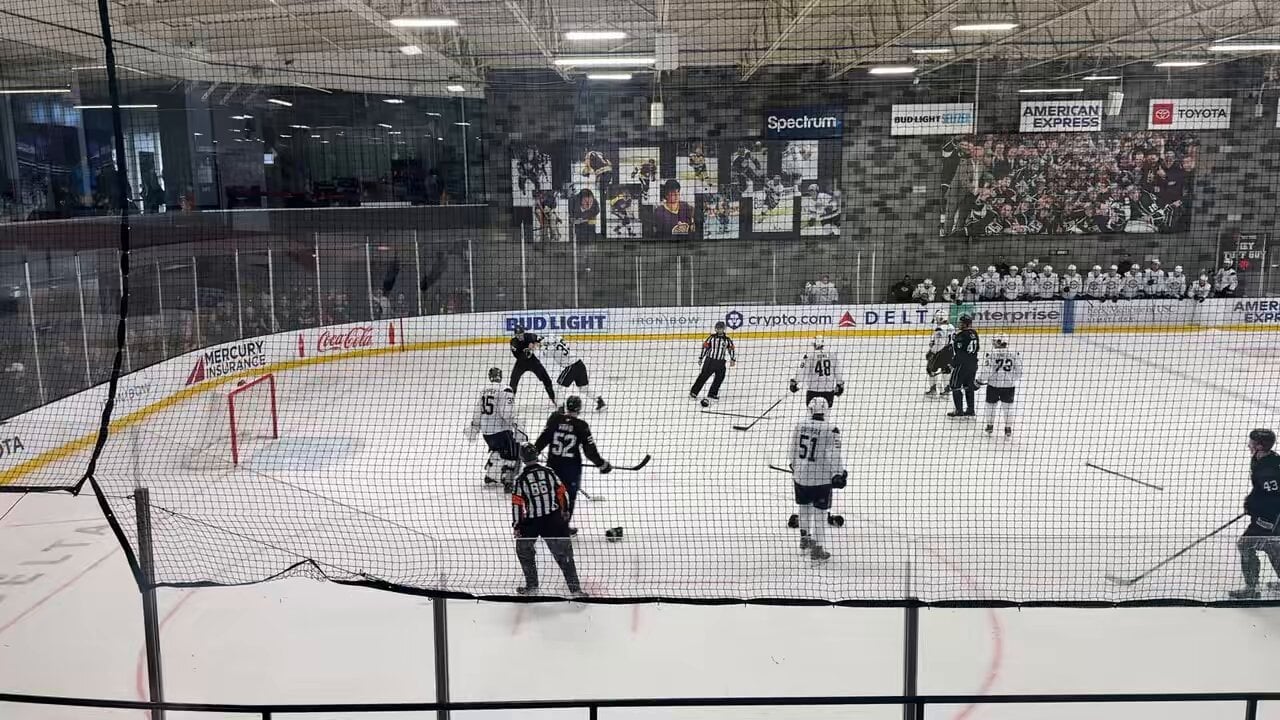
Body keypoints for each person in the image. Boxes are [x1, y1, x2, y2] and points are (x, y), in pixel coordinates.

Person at [510, 445, 583, 596]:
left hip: (532, 522)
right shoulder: (549, 472)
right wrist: (564, 511)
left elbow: (517, 505)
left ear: (522, 458)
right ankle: (575, 589)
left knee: (524, 551)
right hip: (553, 519)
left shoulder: (520, 480)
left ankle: (532, 586)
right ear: (537, 455)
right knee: (564, 554)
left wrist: (517, 526)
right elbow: (563, 493)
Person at [531, 396, 612, 531]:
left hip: (553, 467)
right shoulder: (581, 425)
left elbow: (542, 440)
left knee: (551, 495)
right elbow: (589, 451)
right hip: (571, 470)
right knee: (569, 497)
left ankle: (546, 525)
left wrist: (533, 455)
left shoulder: (555, 420)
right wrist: (602, 464)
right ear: (579, 409)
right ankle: (562, 528)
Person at [789, 397, 846, 561]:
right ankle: (818, 548)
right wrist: (839, 473)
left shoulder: (800, 425)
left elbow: (793, 449)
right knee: (820, 514)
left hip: (801, 477)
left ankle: (805, 540)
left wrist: (794, 466)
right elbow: (833, 454)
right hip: (820, 479)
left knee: (804, 508)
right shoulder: (831, 429)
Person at [1228, 429, 1280, 599]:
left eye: (1251, 443)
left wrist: (1254, 507)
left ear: (1260, 446)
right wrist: (1250, 501)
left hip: (1271, 517)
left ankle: (1251, 589)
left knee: (1245, 545)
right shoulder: (1259, 459)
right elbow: (1260, 490)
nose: (1248, 446)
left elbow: (1273, 499)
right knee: (1272, 546)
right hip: (1265, 515)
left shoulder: (1269, 470)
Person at [466, 367, 523, 490]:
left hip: (487, 432)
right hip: (501, 431)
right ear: (500, 376)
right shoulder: (505, 389)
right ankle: (508, 480)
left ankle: (491, 475)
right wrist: (517, 423)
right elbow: (507, 413)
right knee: (513, 452)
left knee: (498, 451)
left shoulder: (484, 391)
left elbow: (477, 412)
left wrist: (475, 427)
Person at [540, 335, 605, 411]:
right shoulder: (559, 340)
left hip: (571, 367)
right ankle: (600, 401)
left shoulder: (550, 349)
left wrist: (541, 347)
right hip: (580, 364)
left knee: (557, 388)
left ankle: (561, 408)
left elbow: (545, 354)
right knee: (583, 388)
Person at [978, 335, 1023, 437]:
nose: (993, 343)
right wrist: (1011, 379)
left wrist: (979, 381)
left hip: (993, 386)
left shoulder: (991, 354)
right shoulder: (1014, 353)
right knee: (1008, 408)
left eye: (995, 341)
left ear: (999, 342)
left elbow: (987, 370)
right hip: (1009, 386)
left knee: (990, 406)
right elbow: (1019, 371)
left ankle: (990, 425)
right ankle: (1008, 428)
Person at [789, 335, 844, 408]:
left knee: (811, 413)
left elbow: (803, 371)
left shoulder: (809, 356)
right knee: (826, 413)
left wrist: (795, 382)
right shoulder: (832, 355)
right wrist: (840, 385)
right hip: (828, 392)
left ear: (815, 345)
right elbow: (838, 372)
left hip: (813, 391)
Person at [691, 321, 736, 406]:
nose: (719, 330)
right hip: (710, 361)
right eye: (718, 328)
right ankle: (694, 392)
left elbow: (731, 349)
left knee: (720, 378)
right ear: (715, 329)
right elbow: (705, 348)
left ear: (724, 329)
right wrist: (701, 357)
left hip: (721, 362)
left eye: (721, 328)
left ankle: (712, 393)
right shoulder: (711, 338)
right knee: (703, 377)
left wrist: (733, 359)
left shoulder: (727, 340)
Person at [509, 324, 556, 405]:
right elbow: (518, 356)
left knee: (546, 379)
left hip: (532, 361)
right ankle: (510, 401)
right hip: (521, 363)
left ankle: (553, 399)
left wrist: (535, 343)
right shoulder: (513, 342)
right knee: (513, 382)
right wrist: (528, 351)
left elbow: (541, 339)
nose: (520, 337)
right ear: (515, 335)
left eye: (521, 335)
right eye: (518, 335)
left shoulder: (529, 336)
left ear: (524, 333)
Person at [948, 314, 979, 419]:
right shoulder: (974, 333)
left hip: (962, 366)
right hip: (973, 364)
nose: (959, 324)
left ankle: (959, 410)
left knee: (955, 386)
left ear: (966, 324)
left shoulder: (961, 336)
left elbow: (960, 354)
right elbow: (977, 349)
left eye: (961, 323)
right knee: (969, 386)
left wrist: (952, 365)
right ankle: (970, 409)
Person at [924, 311, 955, 397]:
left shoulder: (939, 329)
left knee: (931, 369)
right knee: (946, 371)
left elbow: (939, 344)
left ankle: (933, 390)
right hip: (950, 351)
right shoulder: (951, 326)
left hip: (940, 352)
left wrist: (932, 352)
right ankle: (946, 390)